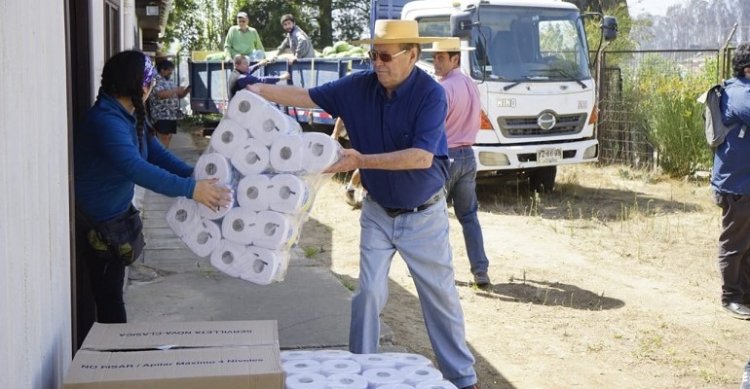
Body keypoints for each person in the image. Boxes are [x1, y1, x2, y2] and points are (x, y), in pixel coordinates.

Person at [247, 20, 479, 389]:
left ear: (412, 56)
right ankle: (359, 371)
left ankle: (462, 378)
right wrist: (254, 87)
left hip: (423, 215)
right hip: (377, 212)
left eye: (385, 56)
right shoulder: (357, 86)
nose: (378, 63)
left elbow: (421, 158)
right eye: (373, 54)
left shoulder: (432, 95)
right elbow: (307, 96)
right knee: (368, 292)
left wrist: (361, 160)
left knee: (439, 297)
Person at [73, 50, 232, 344]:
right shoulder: (106, 121)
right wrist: (192, 190)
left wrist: (193, 176)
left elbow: (155, 153)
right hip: (97, 225)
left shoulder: (127, 113)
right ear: (139, 85)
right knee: (110, 303)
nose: (151, 87)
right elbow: (136, 168)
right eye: (149, 81)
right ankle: (116, 363)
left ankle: (117, 356)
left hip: (115, 220)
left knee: (112, 296)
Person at [425, 38, 491, 287]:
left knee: (433, 216)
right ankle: (480, 270)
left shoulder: (442, 89)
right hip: (467, 156)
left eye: (441, 57)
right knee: (469, 216)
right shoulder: (471, 85)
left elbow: (433, 126)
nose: (436, 62)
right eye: (435, 57)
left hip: (445, 156)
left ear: (455, 58)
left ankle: (436, 271)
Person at [712, 42, 750, 320]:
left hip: (743, 182)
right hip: (737, 185)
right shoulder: (738, 93)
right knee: (735, 243)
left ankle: (745, 294)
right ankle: (731, 297)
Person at [148, 59, 189, 147]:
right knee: (164, 137)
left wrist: (186, 91)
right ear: (162, 70)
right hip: (161, 115)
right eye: (169, 70)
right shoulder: (156, 80)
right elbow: (160, 94)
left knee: (168, 136)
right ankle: (162, 157)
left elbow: (178, 96)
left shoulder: (170, 81)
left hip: (171, 115)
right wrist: (175, 90)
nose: (171, 72)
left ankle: (164, 155)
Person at [330, 117, 365, 208]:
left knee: (369, 166)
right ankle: (354, 191)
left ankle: (358, 192)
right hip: (362, 136)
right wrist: (335, 133)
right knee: (365, 165)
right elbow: (342, 115)